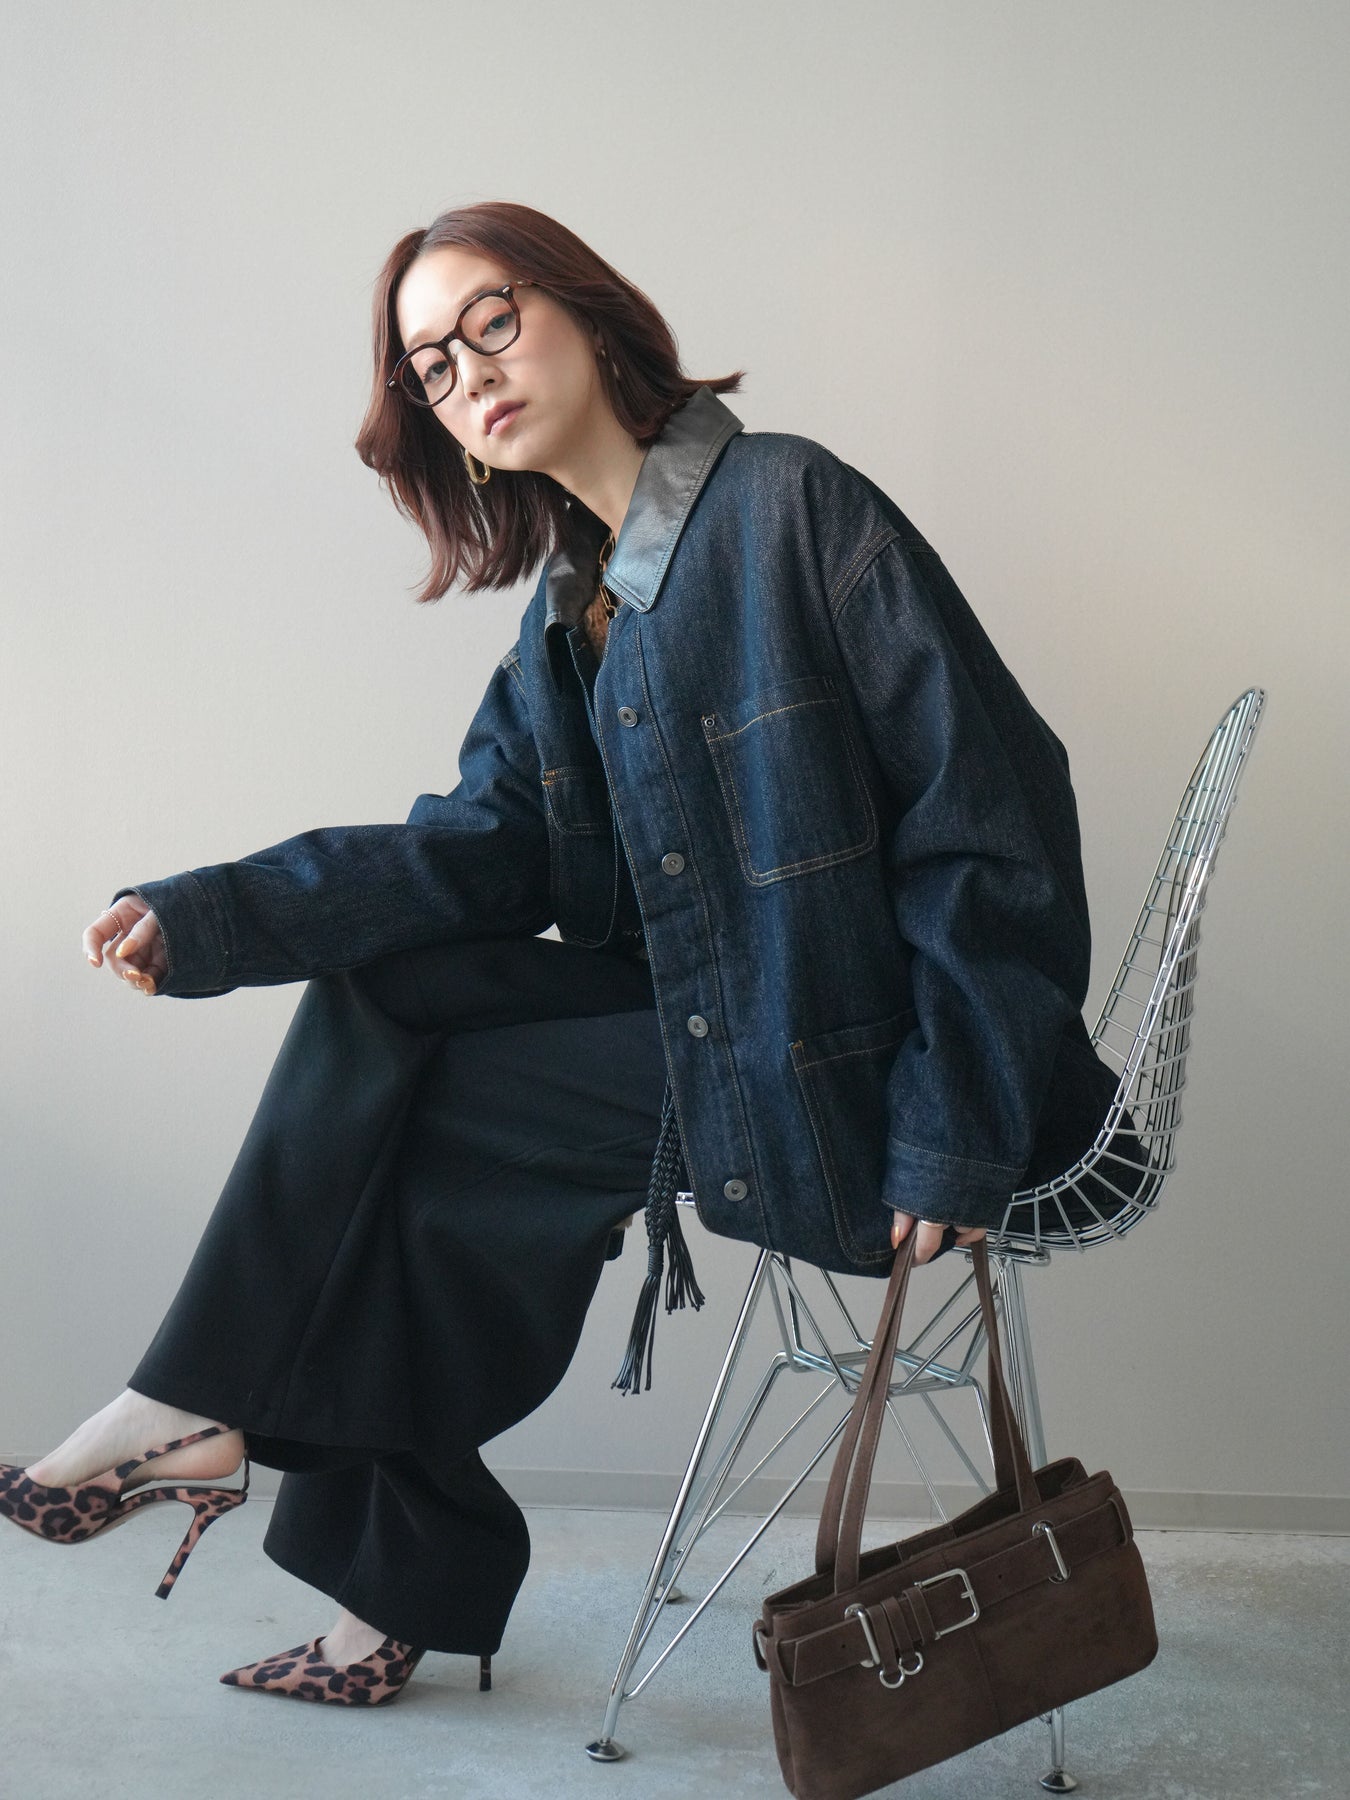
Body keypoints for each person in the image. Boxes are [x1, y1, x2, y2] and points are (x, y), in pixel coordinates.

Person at [0, 201, 1122, 1708]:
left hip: (864, 1076)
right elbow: (480, 852)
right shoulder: (571, 605)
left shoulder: (790, 507)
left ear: (590, 315)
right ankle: (253, 1463)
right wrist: (210, 914)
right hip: (732, 1029)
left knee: (414, 1121)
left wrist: (955, 1127)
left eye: (493, 321)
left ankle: (240, 1445)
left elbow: (991, 829)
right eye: (429, 365)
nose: (467, 372)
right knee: (395, 1013)